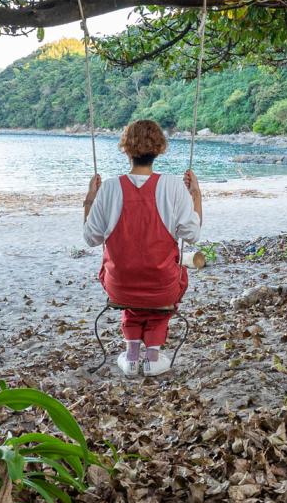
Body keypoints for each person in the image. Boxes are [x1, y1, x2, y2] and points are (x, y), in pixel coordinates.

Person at [83, 120, 203, 377]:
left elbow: (91, 238)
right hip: (162, 288)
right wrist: (196, 195)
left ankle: (132, 355)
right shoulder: (173, 186)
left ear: (126, 149)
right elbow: (192, 235)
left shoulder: (110, 188)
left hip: (120, 286)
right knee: (167, 286)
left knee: (133, 294)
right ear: (159, 149)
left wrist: (90, 199)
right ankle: (152, 357)